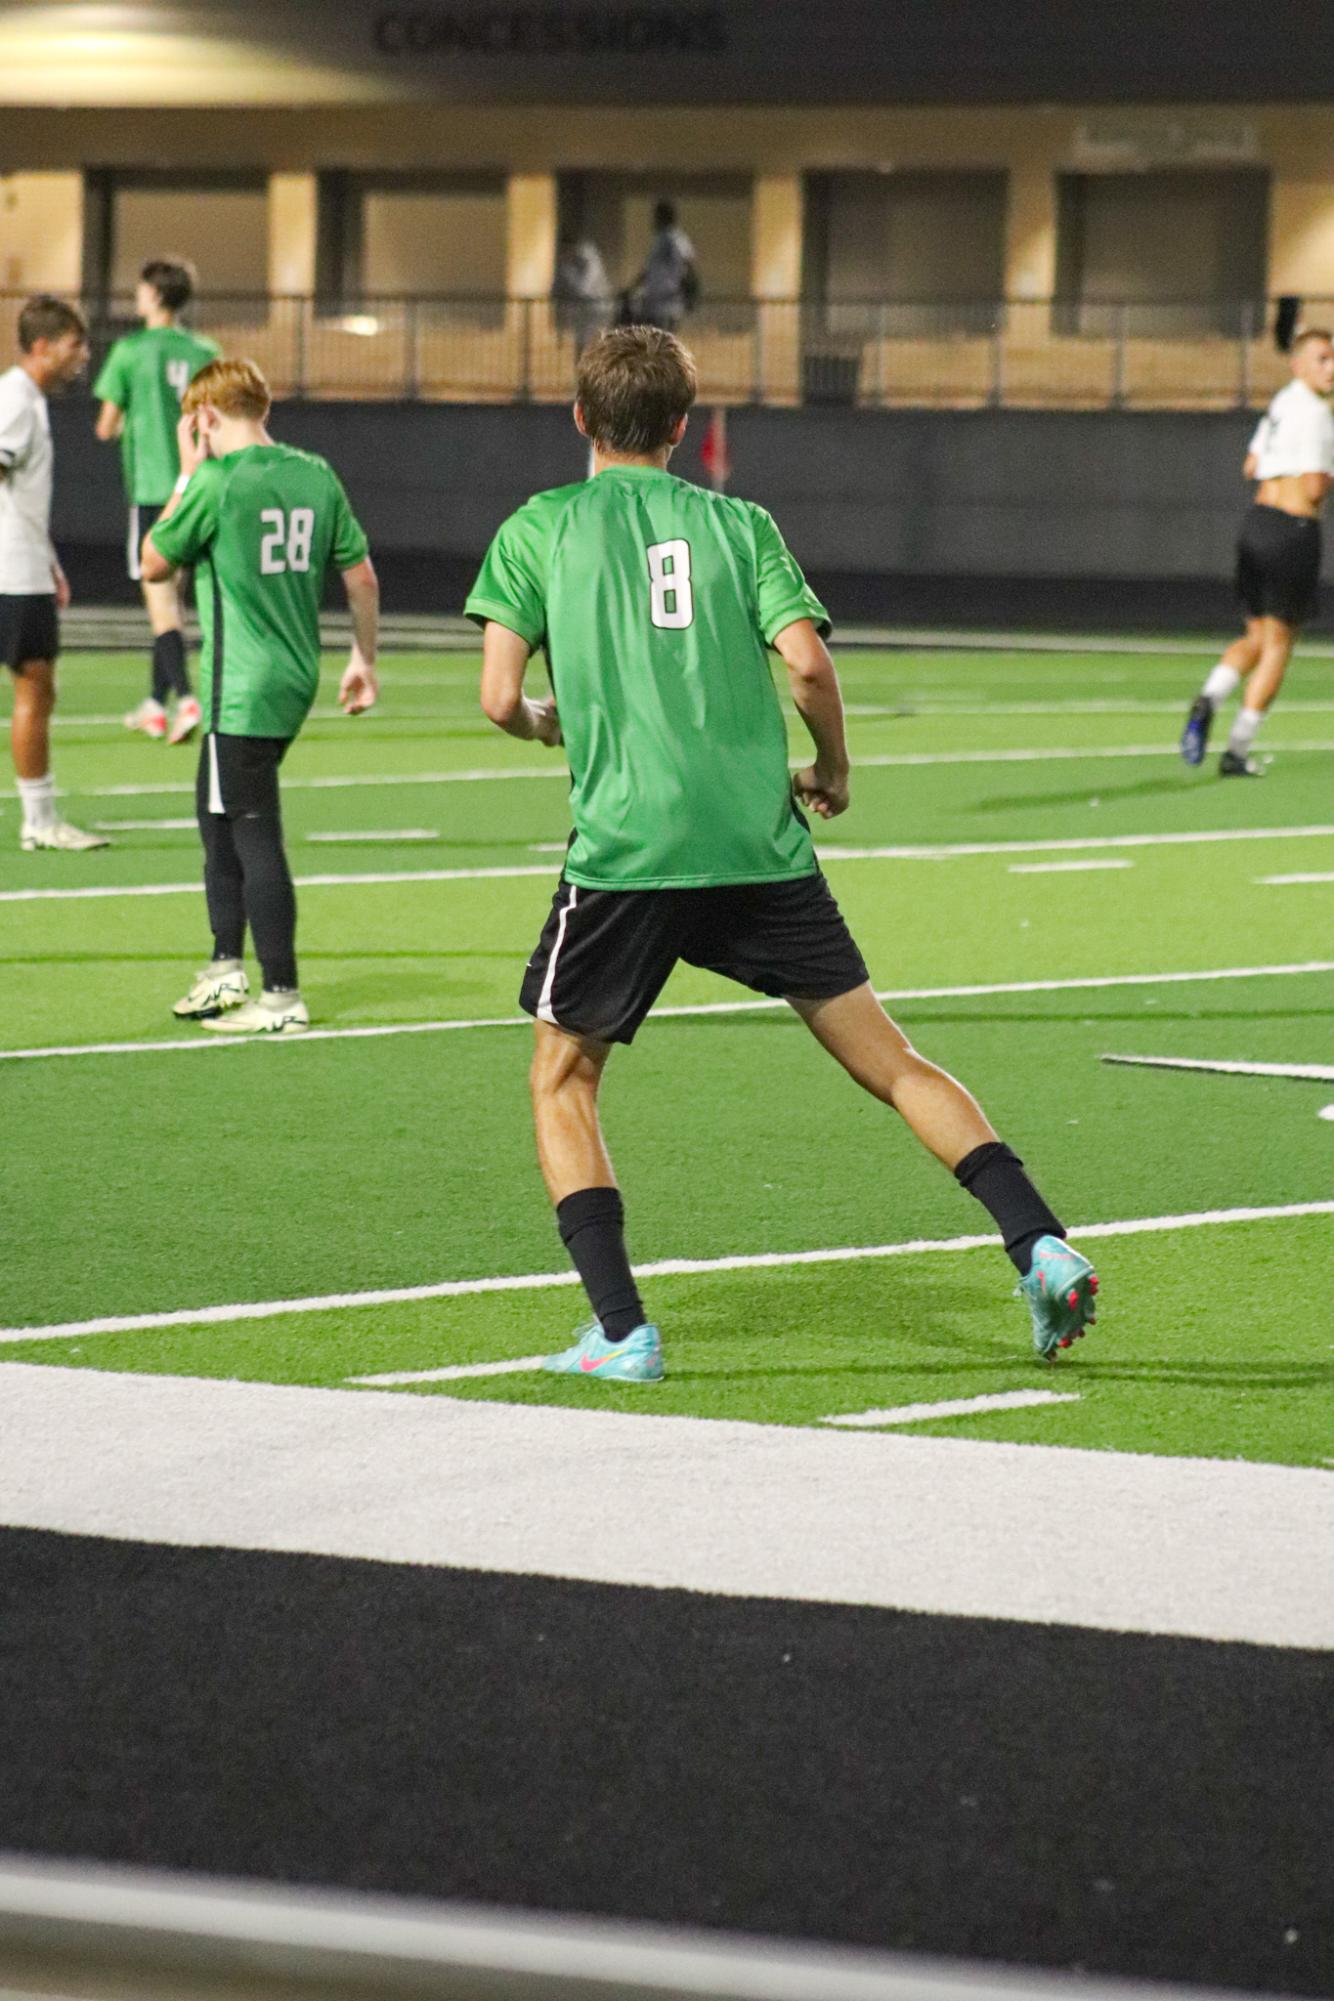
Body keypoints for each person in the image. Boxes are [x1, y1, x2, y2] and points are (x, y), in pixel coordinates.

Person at [465, 325, 1098, 1382]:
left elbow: (494, 699)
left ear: (578, 418)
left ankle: (620, 1333)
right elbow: (804, 664)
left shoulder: (539, 528)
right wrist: (832, 767)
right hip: (760, 842)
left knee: (561, 1079)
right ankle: (1036, 1239)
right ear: (680, 427)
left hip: (628, 849)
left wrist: (543, 721)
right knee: (890, 1061)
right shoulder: (738, 522)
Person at [140, 358, 379, 1034]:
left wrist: (186, 472)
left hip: (239, 683)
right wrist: (364, 656)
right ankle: (225, 968)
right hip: (294, 674)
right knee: (216, 820)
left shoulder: (217, 479)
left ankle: (280, 993)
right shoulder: (315, 472)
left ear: (206, 417)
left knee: (250, 830)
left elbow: (154, 561)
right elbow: (360, 577)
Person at [1180, 327, 1334, 776]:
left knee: (1256, 637)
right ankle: (1237, 751)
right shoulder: (1317, 415)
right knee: (1280, 645)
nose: (1332, 368)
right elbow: (1311, 486)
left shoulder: (1280, 406)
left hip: (1256, 525)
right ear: (1299, 364)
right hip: (1292, 530)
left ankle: (1209, 697)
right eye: (1323, 358)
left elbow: (1251, 466)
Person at [94, 257, 221, 745]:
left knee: (160, 601)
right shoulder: (205, 350)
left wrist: (134, 425)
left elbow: (106, 425)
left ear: (155, 295)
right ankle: (154, 703)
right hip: (200, 487)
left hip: (153, 489)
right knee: (174, 601)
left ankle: (186, 700)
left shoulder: (129, 352)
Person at [0, 295, 109, 853]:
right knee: (35, 690)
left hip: (25, 563)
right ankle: (39, 821)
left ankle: (39, 818)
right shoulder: (17, 399)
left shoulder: (25, 399)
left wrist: (50, 560)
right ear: (42, 346)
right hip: (11, 572)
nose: (83, 356)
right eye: (74, 345)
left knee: (37, 691)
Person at [633, 200, 699, 334]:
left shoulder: (676, 238)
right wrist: (633, 287)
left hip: (669, 302)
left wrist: (691, 292)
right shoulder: (659, 240)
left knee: (664, 343)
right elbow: (649, 270)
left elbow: (689, 262)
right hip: (653, 302)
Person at [552, 234, 612, 354]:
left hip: (597, 309)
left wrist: (566, 269)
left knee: (593, 345)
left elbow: (584, 289)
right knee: (581, 344)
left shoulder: (589, 259)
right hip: (582, 312)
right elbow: (556, 288)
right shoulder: (570, 262)